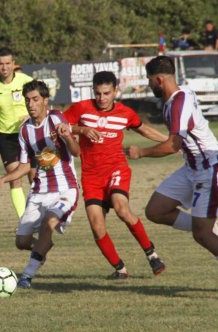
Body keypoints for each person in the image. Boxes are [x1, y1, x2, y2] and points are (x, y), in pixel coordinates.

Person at [126, 56, 218, 291]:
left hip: (210, 169)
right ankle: (212, 227)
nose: (149, 85)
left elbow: (172, 146)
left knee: (201, 235)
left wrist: (141, 152)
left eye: (150, 80)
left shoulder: (178, 103)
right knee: (155, 211)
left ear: (159, 79)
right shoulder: (178, 95)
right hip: (192, 168)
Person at [64, 71, 168, 279]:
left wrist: (171, 142)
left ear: (115, 91)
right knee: (96, 225)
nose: (102, 98)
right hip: (91, 175)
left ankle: (152, 255)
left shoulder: (125, 113)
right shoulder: (81, 109)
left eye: (106, 93)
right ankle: (120, 269)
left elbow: (144, 130)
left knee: (122, 208)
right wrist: (81, 130)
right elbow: (58, 126)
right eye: (98, 93)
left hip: (116, 169)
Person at [0, 80, 80, 289]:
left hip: (64, 189)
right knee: (22, 242)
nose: (31, 104)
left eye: (35, 100)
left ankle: (26, 276)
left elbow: (76, 151)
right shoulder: (25, 130)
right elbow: (26, 165)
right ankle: (41, 249)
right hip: (38, 192)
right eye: (27, 100)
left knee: (49, 223)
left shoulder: (56, 119)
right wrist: (3, 179)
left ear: (45, 100)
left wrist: (67, 138)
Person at [0, 47, 34, 219]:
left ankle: (38, 215)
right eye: (0, 64)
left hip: (28, 134)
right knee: (14, 177)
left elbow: (41, 104)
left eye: (7, 63)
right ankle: (24, 221)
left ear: (13, 64)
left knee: (34, 178)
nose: (4, 67)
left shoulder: (26, 81)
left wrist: (29, 115)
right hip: (7, 138)